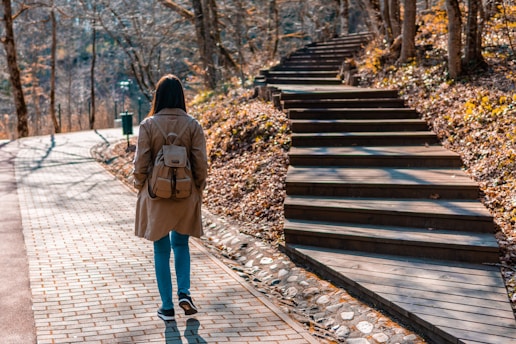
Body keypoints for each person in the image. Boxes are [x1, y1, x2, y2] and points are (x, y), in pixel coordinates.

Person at [133, 74, 208, 321]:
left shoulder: (148, 125)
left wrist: (139, 185)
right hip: (186, 193)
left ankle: (166, 307)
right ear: (180, 97)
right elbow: (201, 164)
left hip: (156, 194)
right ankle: (184, 293)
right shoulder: (193, 125)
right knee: (182, 244)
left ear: (159, 96)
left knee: (161, 249)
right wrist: (198, 188)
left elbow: (140, 162)